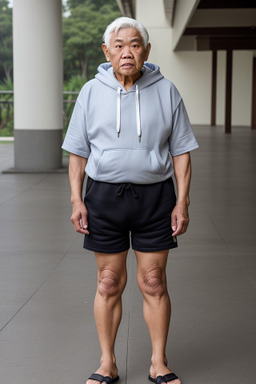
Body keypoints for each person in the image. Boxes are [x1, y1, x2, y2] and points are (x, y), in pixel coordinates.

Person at [62, 16, 198, 384]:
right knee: (108, 281)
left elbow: (182, 151)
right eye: (119, 45)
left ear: (147, 51)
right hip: (104, 197)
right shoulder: (91, 91)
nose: (127, 52)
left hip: (155, 197)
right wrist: (77, 200)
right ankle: (107, 362)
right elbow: (77, 152)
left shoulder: (167, 90)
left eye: (135, 45)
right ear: (106, 51)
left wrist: (182, 202)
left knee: (153, 281)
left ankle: (158, 362)